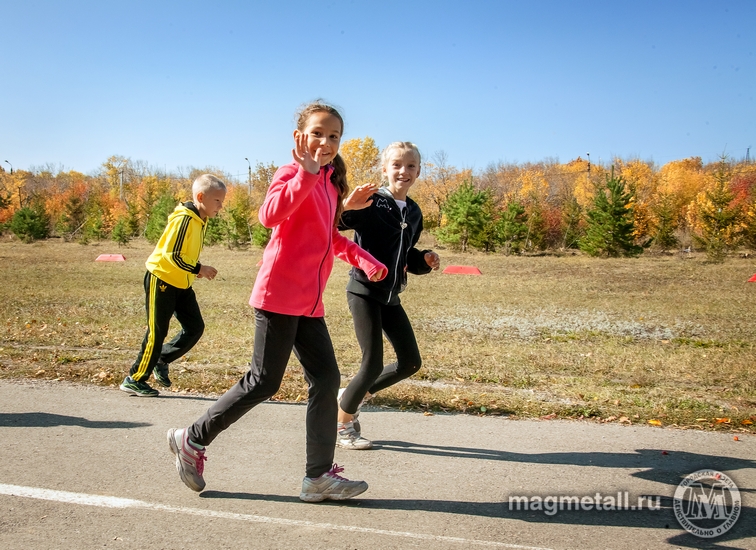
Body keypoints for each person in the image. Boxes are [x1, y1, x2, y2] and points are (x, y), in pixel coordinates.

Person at [167, 101, 387, 502]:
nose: (325, 141)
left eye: (334, 135)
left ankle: (318, 477)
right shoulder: (292, 174)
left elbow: (330, 239)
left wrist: (367, 260)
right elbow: (269, 215)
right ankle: (192, 438)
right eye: (318, 132)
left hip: (309, 302)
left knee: (326, 379)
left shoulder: (329, 184)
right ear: (299, 136)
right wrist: (303, 174)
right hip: (278, 294)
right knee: (263, 380)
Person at [336, 141, 440, 450]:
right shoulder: (372, 201)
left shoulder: (415, 211)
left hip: (391, 295)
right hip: (364, 291)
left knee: (410, 362)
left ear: (418, 171)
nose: (403, 171)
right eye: (396, 165)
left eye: (410, 166)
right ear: (385, 169)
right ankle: (344, 427)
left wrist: (424, 261)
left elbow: (406, 256)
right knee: (372, 363)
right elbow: (336, 224)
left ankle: (352, 395)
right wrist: (347, 206)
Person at [120, 174, 226, 397]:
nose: (221, 206)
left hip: (181, 283)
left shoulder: (200, 219)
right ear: (200, 197)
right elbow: (172, 255)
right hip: (162, 279)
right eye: (217, 200)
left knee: (195, 327)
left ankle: (162, 359)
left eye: (222, 201)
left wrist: (192, 272)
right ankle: (135, 378)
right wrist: (199, 269)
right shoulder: (185, 219)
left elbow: (184, 254)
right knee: (157, 332)